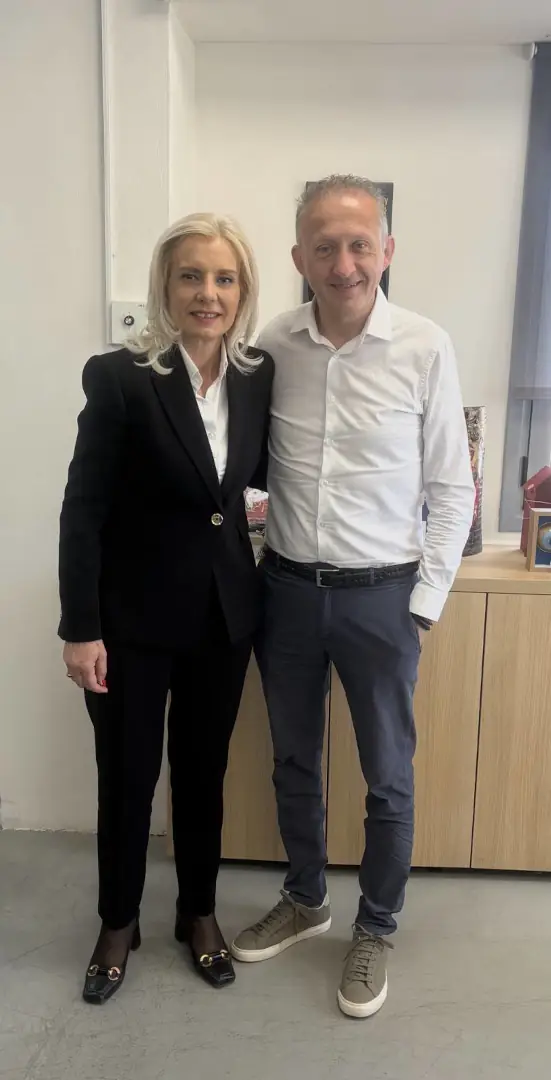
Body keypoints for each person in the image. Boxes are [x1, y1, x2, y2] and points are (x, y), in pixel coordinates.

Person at [232, 175, 474, 1018]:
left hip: (383, 598)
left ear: (386, 251)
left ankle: (375, 927)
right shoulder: (272, 343)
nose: (343, 264)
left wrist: (423, 603)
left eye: (359, 245)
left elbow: (452, 488)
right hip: (288, 593)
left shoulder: (424, 345)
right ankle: (305, 898)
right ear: (299, 257)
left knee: (387, 777)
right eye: (324, 247)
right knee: (293, 761)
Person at [59, 213, 273, 1003]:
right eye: (191, 276)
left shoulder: (258, 377)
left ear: (242, 291)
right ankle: (118, 922)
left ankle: (197, 914)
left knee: (202, 775)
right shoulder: (120, 377)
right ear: (165, 285)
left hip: (222, 621)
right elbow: (83, 509)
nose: (207, 293)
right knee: (126, 777)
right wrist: (80, 628)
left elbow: (252, 491)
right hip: (131, 625)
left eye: (223, 278)